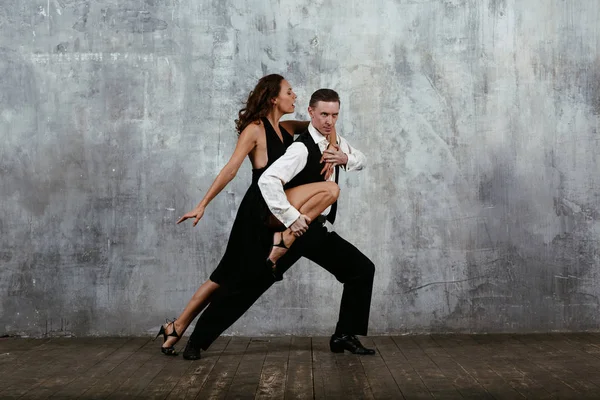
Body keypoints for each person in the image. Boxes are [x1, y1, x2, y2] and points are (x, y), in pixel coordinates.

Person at [180, 88, 375, 360]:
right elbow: (268, 181)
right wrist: (291, 219)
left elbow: (363, 160)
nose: (329, 121)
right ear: (310, 113)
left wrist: (345, 158)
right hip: (290, 228)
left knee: (361, 270)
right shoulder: (300, 148)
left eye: (334, 115)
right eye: (323, 114)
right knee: (249, 285)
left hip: (313, 228)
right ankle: (197, 341)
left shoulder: (335, 141)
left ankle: (344, 335)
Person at [155, 75, 340, 355]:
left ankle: (176, 328)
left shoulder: (286, 127)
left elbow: (328, 126)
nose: (295, 97)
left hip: (277, 206)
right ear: (274, 98)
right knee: (225, 275)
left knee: (227, 274)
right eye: (289, 92)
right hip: (257, 209)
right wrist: (203, 203)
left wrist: (334, 151)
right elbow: (231, 168)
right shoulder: (255, 129)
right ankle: (178, 327)